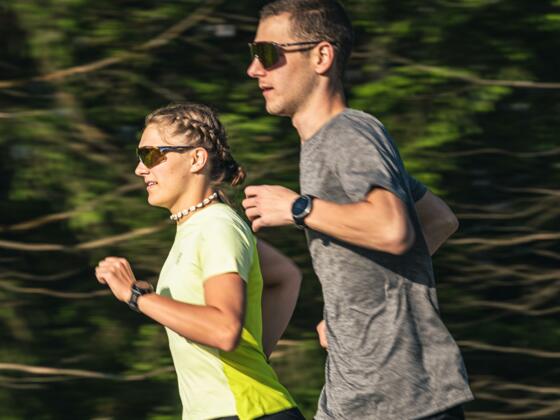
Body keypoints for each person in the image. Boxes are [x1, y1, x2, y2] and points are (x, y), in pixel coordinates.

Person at [242, 1, 474, 419]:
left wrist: (297, 207)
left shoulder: (348, 132)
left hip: (405, 399)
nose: (254, 70)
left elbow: (392, 228)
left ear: (321, 56)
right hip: (355, 395)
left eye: (268, 54)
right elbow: (438, 218)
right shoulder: (323, 144)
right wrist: (356, 308)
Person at [94, 103, 305, 420]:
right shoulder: (200, 228)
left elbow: (224, 329)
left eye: (150, 155)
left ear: (196, 159)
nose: (139, 169)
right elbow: (284, 276)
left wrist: (137, 297)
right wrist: (253, 354)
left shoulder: (216, 225)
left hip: (246, 411)